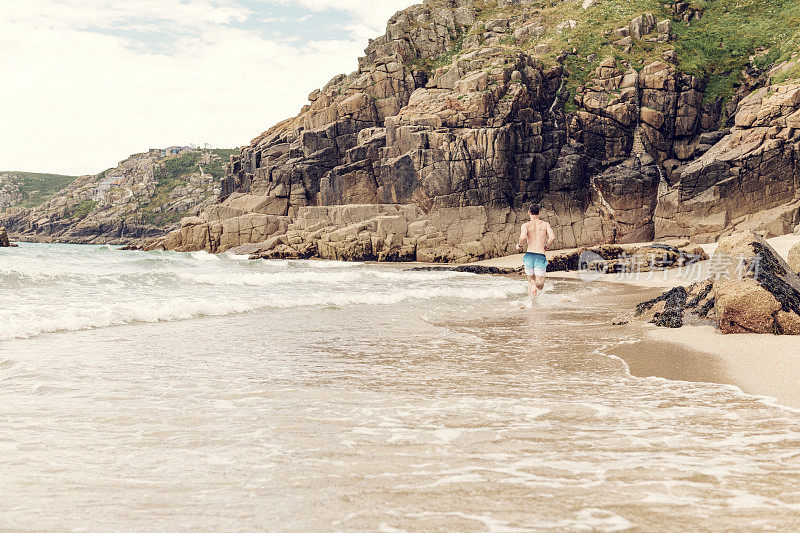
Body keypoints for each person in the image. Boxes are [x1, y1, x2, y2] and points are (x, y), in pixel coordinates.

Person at [516, 203, 555, 301]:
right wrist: (546, 246)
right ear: (539, 213)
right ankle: (534, 290)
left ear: (529, 213)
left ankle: (532, 303)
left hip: (529, 255)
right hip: (540, 255)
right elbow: (552, 238)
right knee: (540, 284)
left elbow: (523, 237)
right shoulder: (545, 225)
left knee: (531, 280)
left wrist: (519, 246)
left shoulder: (525, 225)